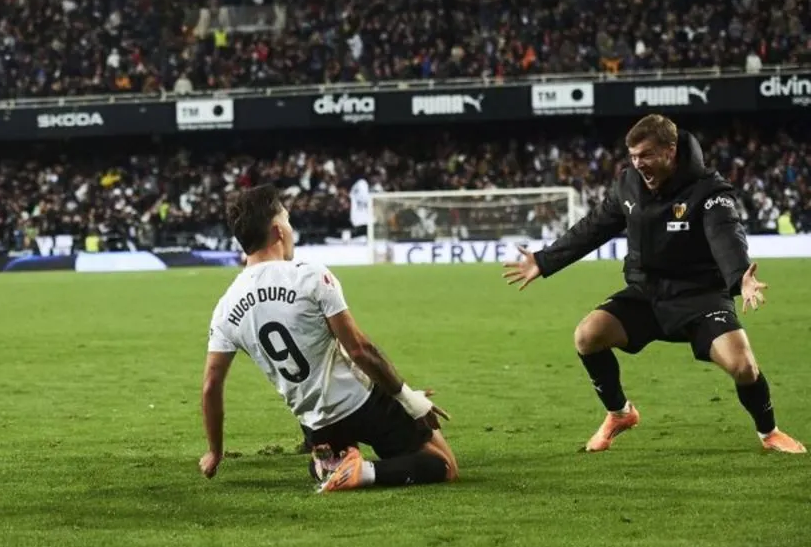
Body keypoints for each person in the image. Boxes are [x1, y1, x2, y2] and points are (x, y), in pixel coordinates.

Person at [502, 114, 805, 454]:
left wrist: (740, 278)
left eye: (645, 155)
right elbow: (594, 227)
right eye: (632, 156)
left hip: (701, 296)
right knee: (588, 336)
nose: (637, 164)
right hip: (647, 294)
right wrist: (544, 260)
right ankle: (620, 413)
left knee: (744, 366)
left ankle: (769, 433)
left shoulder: (709, 189)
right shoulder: (628, 184)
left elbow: (725, 236)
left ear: (670, 150)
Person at [199, 184, 457, 492]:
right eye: (288, 220)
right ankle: (365, 473)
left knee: (327, 444)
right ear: (279, 230)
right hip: (361, 402)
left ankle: (326, 460)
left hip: (316, 422)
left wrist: (215, 451)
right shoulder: (308, 276)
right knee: (443, 464)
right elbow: (360, 350)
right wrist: (409, 399)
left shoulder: (226, 307)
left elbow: (211, 386)